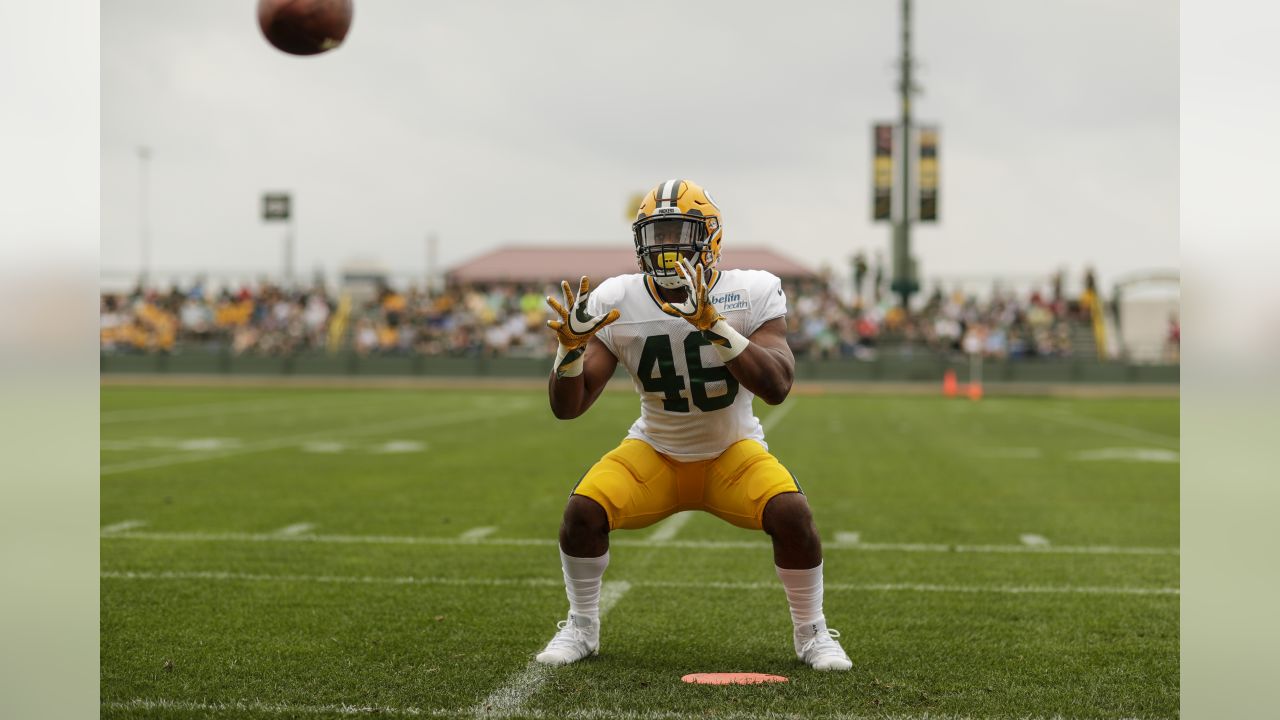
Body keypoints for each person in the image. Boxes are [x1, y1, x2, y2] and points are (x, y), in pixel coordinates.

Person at [535, 179, 852, 671]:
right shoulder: (618, 298)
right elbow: (568, 407)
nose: (665, 248)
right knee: (582, 514)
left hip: (732, 452)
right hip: (656, 450)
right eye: (655, 235)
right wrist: (569, 352)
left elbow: (778, 385)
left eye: (676, 233)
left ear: (711, 237)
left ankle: (812, 633)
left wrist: (714, 326)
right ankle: (581, 626)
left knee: (794, 517)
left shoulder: (751, 292)